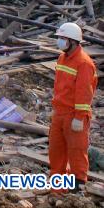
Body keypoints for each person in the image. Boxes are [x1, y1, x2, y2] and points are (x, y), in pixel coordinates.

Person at [49, 22, 97, 191]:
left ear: (73, 41)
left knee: (76, 151)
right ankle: (58, 187)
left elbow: (84, 92)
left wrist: (79, 116)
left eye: (63, 38)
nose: (60, 41)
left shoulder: (84, 63)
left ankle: (77, 188)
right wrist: (55, 107)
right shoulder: (62, 58)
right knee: (56, 150)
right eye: (59, 38)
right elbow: (59, 85)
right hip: (60, 112)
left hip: (74, 115)